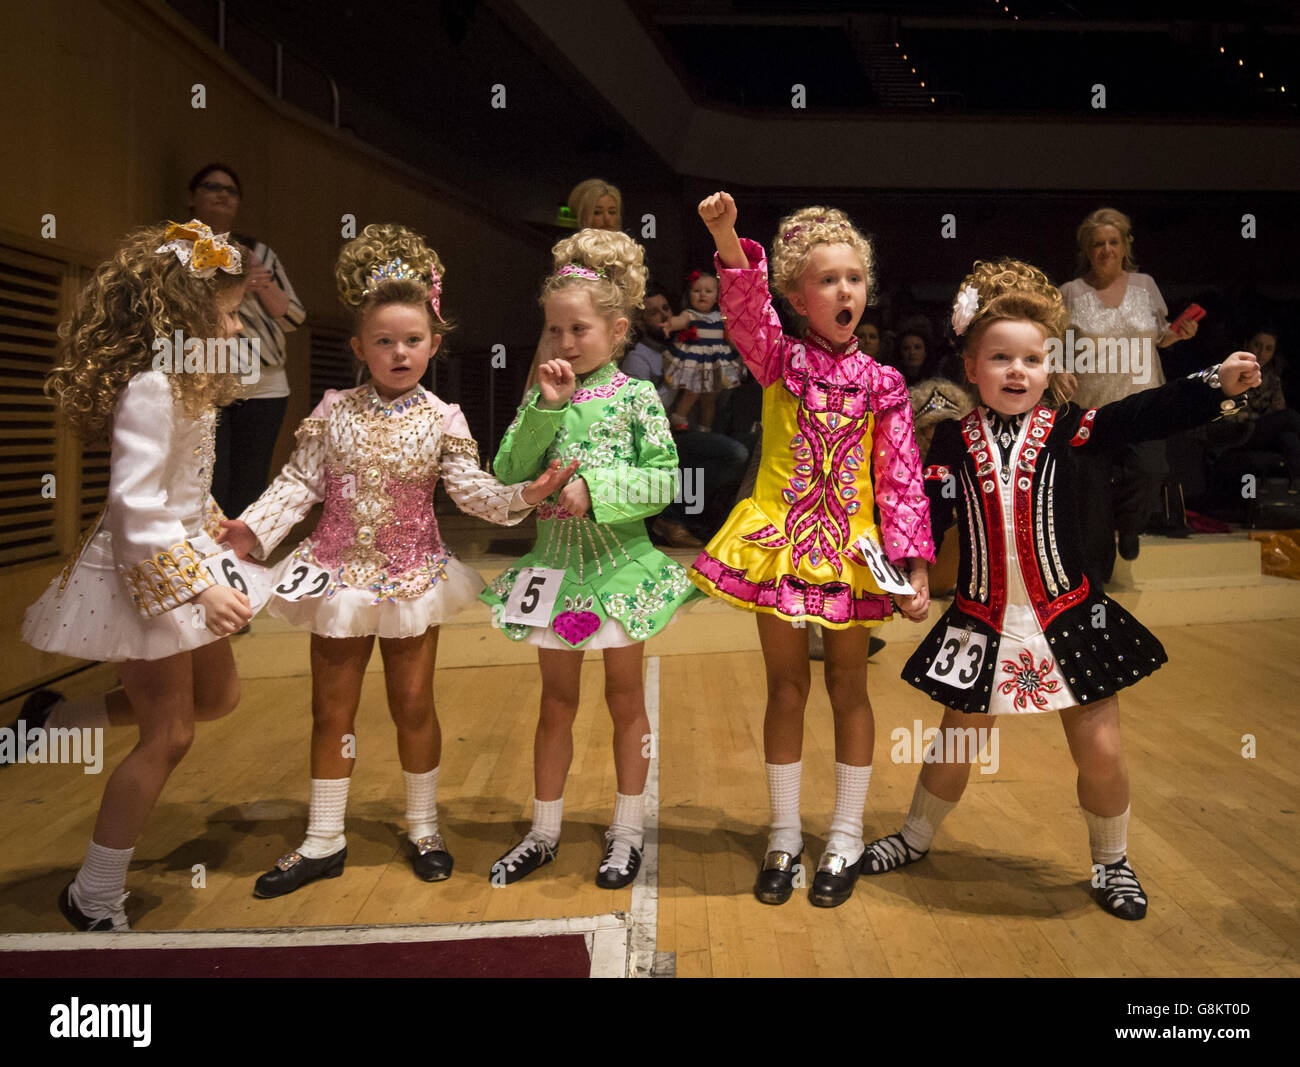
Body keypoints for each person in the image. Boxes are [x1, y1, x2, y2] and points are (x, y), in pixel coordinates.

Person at [861, 259, 1260, 921]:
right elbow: (919, 513)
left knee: (1101, 747)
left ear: (1049, 367)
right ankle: (914, 835)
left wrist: (1211, 382)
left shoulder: (1072, 430)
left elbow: (1141, 414)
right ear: (971, 368)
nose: (1017, 371)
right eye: (1001, 358)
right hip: (981, 622)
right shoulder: (954, 442)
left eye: (1032, 359)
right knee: (954, 743)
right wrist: (907, 575)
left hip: (1070, 617)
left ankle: (1112, 861)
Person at [217, 224, 576, 896]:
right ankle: (323, 837)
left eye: (412, 339)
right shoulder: (332, 411)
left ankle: (423, 825)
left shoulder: (444, 417)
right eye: (383, 341)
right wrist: (252, 530)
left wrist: (523, 494)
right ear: (359, 348)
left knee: (414, 704)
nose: (399, 351)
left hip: (413, 577)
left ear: (434, 344)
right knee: (332, 709)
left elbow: (470, 491)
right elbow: (299, 483)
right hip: (337, 576)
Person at [688, 192, 934, 908]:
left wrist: (913, 562)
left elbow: (900, 476)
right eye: (828, 279)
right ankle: (784, 832)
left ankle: (848, 833)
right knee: (786, 687)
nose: (845, 290)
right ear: (798, 296)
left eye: (855, 277)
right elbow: (742, 307)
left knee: (849, 686)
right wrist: (727, 235)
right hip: (781, 545)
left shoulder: (884, 383)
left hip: (853, 553)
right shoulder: (778, 357)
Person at [19, 222, 256, 930]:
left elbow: (178, 488)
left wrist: (216, 524)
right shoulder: (154, 387)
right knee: (171, 733)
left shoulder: (193, 386)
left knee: (219, 695)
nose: (238, 323)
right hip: (141, 572)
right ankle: (92, 896)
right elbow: (134, 504)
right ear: (184, 317)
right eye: (230, 311)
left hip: (179, 556)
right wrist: (201, 584)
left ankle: (58, 720)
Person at [480, 229, 699, 890]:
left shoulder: (635, 398)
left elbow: (665, 480)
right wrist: (544, 410)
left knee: (625, 697)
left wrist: (595, 491)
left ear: (618, 329)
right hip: (554, 577)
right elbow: (507, 470)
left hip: (620, 573)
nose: (565, 342)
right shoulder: (541, 396)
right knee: (554, 702)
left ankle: (627, 829)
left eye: (579, 329)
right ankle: (544, 830)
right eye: (554, 330)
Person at [1060, 208, 1198, 578]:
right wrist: (1058, 371)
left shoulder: (1144, 285)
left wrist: (1177, 334)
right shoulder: (1071, 293)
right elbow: (1053, 345)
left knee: (1151, 470)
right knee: (1091, 501)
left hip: (1143, 401)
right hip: (1092, 409)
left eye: (1113, 242)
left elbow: (1160, 335)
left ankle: (1131, 526)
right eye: (1098, 244)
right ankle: (1096, 584)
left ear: (1125, 246)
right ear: (1087, 251)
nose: (1106, 249)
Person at [186, 163, 306, 518]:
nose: (223, 194)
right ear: (191, 198)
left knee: (251, 482)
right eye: (212, 186)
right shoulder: (178, 248)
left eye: (231, 190)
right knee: (211, 479)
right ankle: (207, 562)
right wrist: (228, 284)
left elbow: (294, 317)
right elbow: (173, 311)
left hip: (265, 383)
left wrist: (260, 281)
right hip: (206, 380)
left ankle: (243, 564)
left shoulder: (259, 251)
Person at [622, 285, 750, 545]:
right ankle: (671, 518)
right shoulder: (639, 358)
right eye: (653, 313)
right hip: (659, 440)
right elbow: (637, 415)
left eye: (666, 309)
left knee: (750, 444)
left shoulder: (689, 345)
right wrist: (679, 382)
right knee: (732, 453)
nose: (663, 315)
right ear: (641, 321)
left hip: (698, 428)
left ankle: (700, 522)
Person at [522, 179, 624, 397]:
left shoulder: (629, 252)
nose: (606, 219)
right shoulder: (574, 252)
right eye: (598, 212)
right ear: (584, 216)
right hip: (581, 339)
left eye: (612, 211)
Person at [1203, 329, 1299, 490]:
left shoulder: (1271, 378)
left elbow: (1277, 413)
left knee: (1289, 438)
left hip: (1259, 434)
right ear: (1247, 344)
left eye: (1268, 349)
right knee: (1291, 417)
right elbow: (1228, 414)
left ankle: (1294, 499)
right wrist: (1264, 420)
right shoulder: (1230, 371)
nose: (1262, 353)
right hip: (1234, 432)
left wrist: (1269, 422)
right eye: (1257, 345)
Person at [663, 270, 743, 432]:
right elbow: (680, 321)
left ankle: (705, 427)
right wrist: (671, 324)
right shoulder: (690, 314)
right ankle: (679, 416)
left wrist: (742, 351)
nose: (702, 295)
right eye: (696, 291)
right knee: (692, 391)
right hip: (695, 361)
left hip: (714, 363)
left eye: (708, 291)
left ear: (717, 296)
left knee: (710, 398)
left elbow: (731, 338)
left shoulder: (721, 318)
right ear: (689, 294)